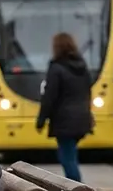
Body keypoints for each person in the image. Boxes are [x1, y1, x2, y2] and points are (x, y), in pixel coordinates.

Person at [35, 32, 94, 182]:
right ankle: (76, 189)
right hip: (82, 117)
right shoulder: (83, 67)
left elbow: (50, 97)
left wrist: (41, 120)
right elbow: (87, 92)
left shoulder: (56, 68)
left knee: (67, 157)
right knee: (70, 154)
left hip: (64, 120)